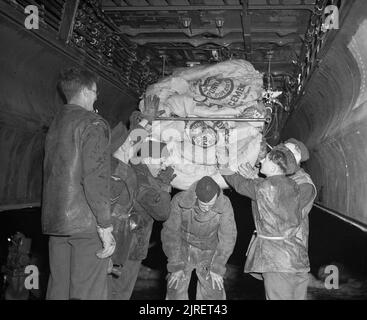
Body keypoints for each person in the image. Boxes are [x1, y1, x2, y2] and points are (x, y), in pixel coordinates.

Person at [42, 67, 115, 300]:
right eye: (95, 92)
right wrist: (105, 225)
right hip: (85, 224)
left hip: (56, 222)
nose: (96, 97)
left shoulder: (55, 124)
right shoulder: (93, 123)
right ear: (85, 92)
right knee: (88, 292)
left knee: (58, 290)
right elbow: (95, 178)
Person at [223, 145, 312, 300]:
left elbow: (239, 185)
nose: (262, 160)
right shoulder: (294, 185)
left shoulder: (264, 187)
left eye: (266, 158)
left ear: (273, 166)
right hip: (298, 258)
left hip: (278, 261)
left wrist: (224, 167)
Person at [161, 176, 237, 300]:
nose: (207, 208)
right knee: (175, 285)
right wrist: (175, 265)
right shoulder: (180, 200)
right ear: (196, 196)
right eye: (203, 205)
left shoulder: (224, 204)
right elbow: (170, 232)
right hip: (183, 248)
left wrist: (217, 266)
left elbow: (228, 237)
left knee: (214, 290)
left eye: (211, 205)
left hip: (209, 251)